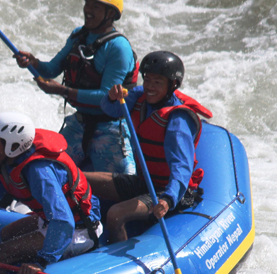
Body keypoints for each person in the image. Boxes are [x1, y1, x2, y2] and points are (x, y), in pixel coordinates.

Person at [85, 51, 213, 243]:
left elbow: (182, 167)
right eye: (147, 80)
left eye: (158, 82)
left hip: (165, 191)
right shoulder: (139, 96)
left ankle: (116, 258)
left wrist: (168, 199)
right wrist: (111, 97)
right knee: (77, 178)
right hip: (145, 182)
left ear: (173, 85)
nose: (150, 87)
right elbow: (111, 109)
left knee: (115, 214)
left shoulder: (177, 121)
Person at [0, 112, 102, 274]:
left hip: (79, 231)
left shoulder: (39, 171)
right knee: (7, 233)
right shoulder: (4, 162)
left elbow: (63, 221)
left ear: (13, 145)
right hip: (50, 222)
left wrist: (42, 261)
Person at [14, 0, 137, 174]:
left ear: (110, 13)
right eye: (87, 4)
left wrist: (63, 90)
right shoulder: (78, 35)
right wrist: (34, 64)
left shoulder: (118, 48)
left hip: (110, 127)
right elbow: (51, 69)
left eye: (95, 6)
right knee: (42, 168)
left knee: (123, 183)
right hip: (79, 122)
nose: (87, 9)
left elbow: (105, 97)